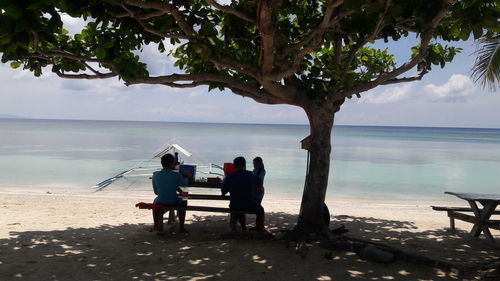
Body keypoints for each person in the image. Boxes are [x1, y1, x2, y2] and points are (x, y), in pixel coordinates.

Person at [221, 156, 265, 232]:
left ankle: (237, 228)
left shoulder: (230, 176)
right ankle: (260, 229)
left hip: (235, 205)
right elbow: (259, 183)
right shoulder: (251, 175)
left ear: (234, 166)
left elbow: (223, 191)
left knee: (238, 206)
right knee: (261, 210)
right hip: (249, 205)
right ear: (245, 165)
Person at [152, 153, 188, 233]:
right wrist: (184, 177)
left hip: (160, 201)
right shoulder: (176, 175)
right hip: (173, 201)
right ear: (172, 164)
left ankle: (156, 225)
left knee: (155, 201)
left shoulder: (155, 175)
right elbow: (185, 185)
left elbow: (156, 192)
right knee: (185, 199)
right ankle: (181, 227)